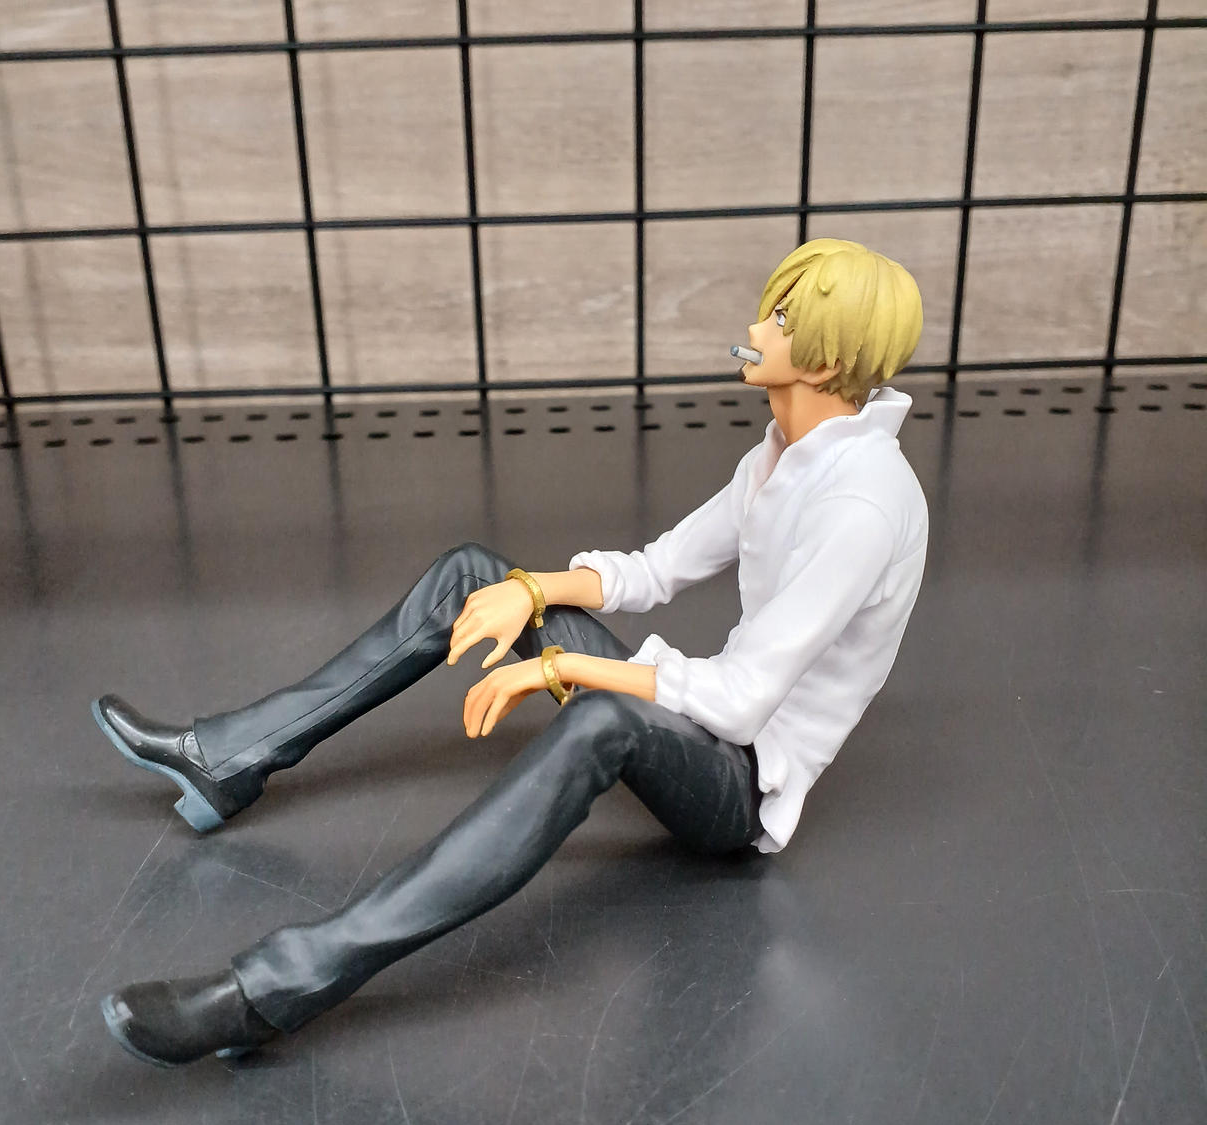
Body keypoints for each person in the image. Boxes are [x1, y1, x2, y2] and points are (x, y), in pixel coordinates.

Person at [94, 238, 928, 1067]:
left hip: (738, 786)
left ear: (828, 360)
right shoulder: (779, 456)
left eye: (781, 319)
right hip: (699, 718)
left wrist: (560, 666)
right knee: (474, 576)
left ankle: (279, 986)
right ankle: (229, 759)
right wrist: (530, 591)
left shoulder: (861, 505)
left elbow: (741, 702)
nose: (756, 327)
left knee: (603, 721)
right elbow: (654, 570)